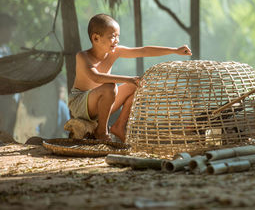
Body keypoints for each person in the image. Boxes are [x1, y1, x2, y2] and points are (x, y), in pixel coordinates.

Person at [68, 13, 192, 142]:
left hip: (101, 102)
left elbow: (143, 51)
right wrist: (127, 79)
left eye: (118, 36)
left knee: (136, 85)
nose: (117, 40)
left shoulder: (115, 52)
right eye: (112, 37)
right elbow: (96, 78)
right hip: (80, 104)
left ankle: (119, 126)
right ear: (96, 38)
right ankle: (102, 132)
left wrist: (174, 50)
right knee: (110, 87)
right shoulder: (82, 56)